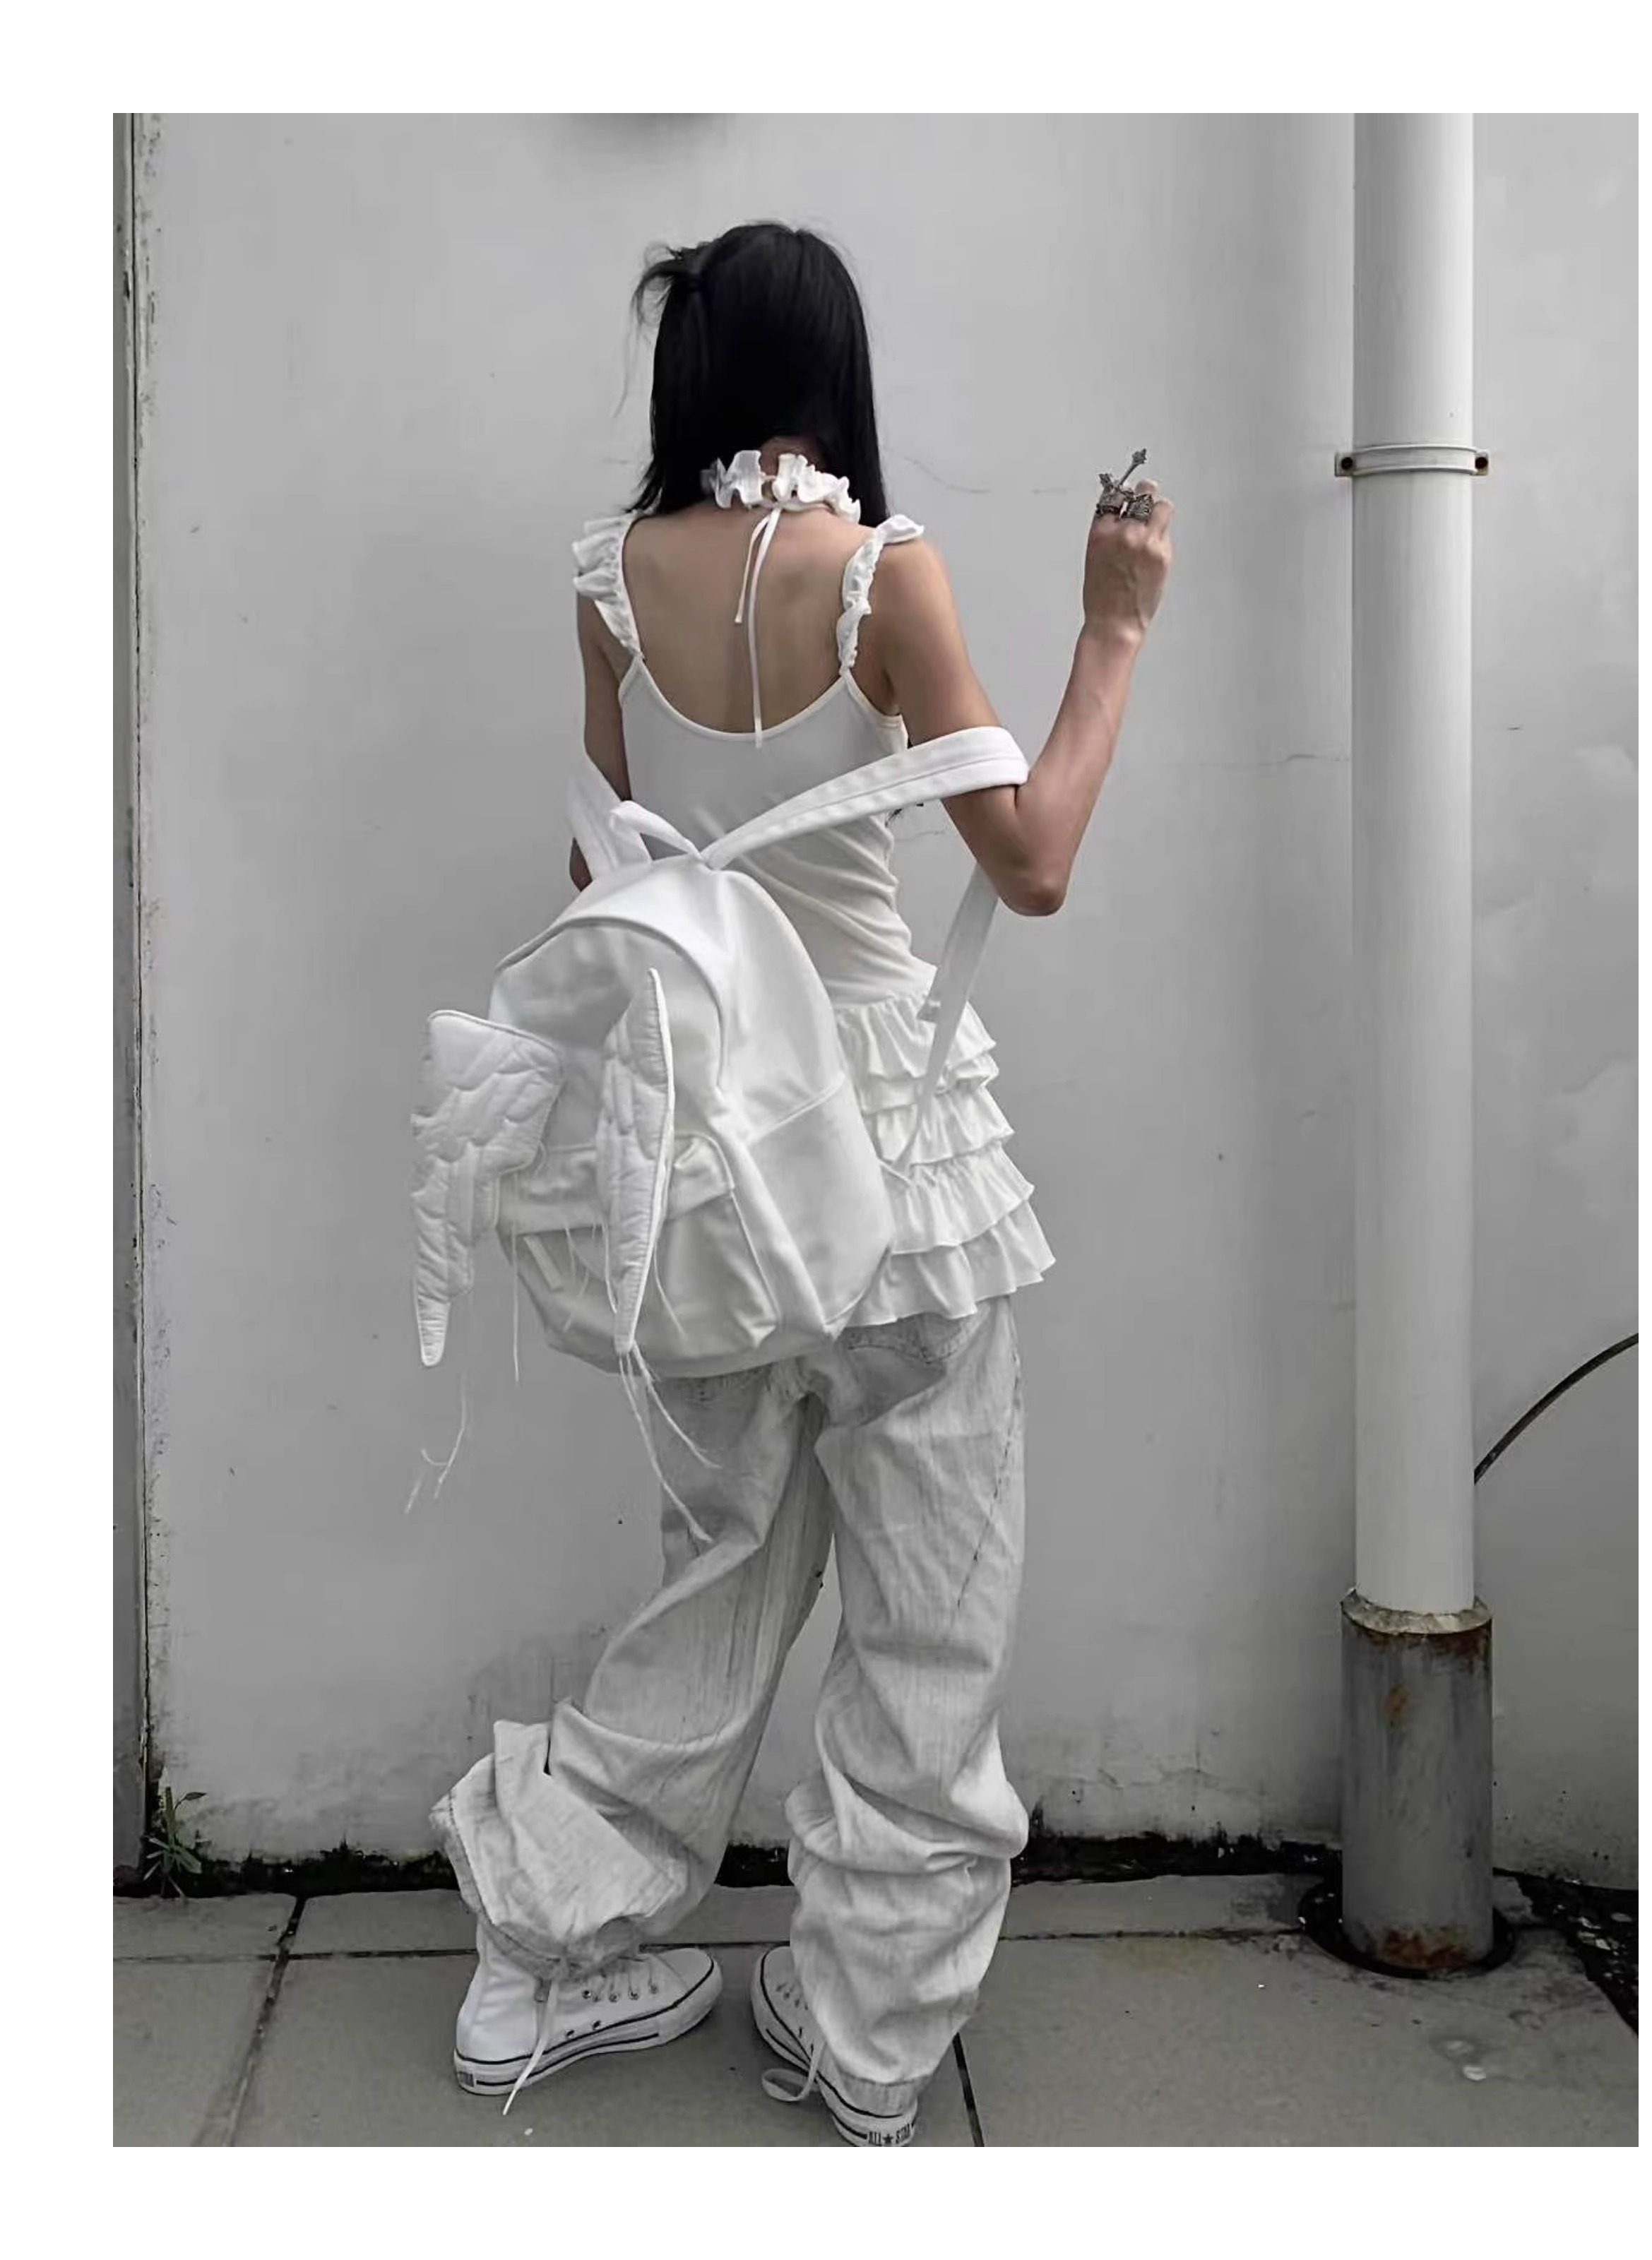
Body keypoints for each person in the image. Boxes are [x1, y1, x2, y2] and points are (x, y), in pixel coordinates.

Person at [432, 220, 1174, 2146]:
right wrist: (1112, 630)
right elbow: (1033, 862)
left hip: (709, 1160)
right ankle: (863, 2035)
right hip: (900, 1168)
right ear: (835, 381)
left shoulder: (608, 581)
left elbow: (605, 870)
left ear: (689, 374)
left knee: (717, 1579)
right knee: (930, 1611)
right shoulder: (878, 574)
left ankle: (537, 1956)